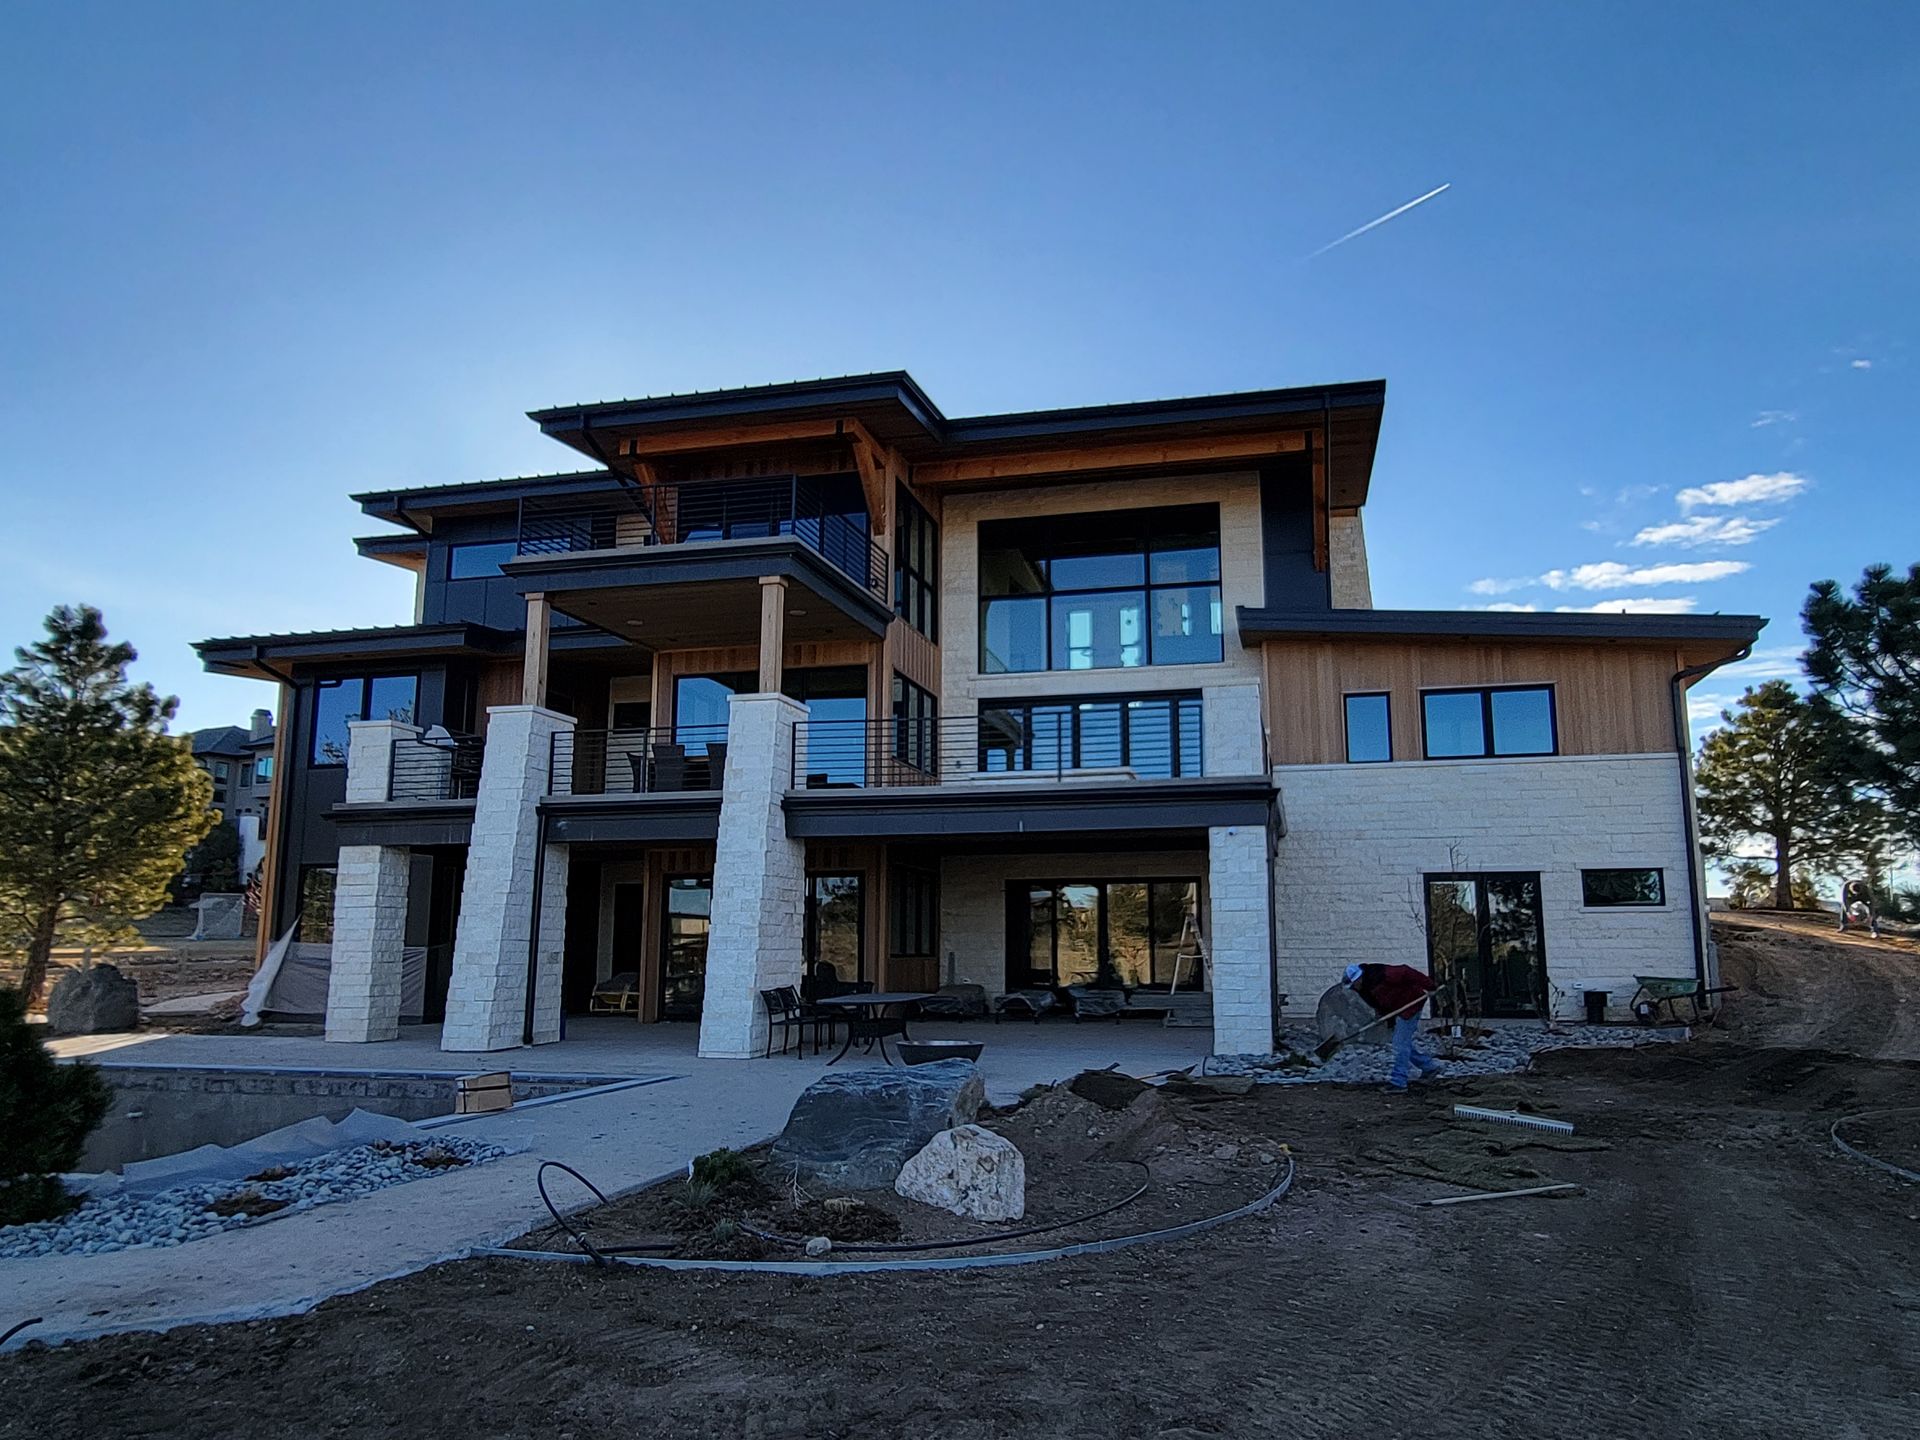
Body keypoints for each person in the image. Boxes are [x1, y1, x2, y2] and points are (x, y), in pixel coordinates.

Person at [1345, 962, 1444, 1092]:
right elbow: (1379, 1004)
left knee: (1399, 1044)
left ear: (1360, 977)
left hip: (1411, 1004)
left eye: (1354, 983)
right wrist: (1386, 1019)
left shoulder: (1383, 974)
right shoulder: (1363, 989)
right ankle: (1429, 1067)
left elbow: (1407, 971)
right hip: (1397, 1008)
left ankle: (1399, 1082)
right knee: (1402, 1043)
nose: (1354, 987)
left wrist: (1430, 986)